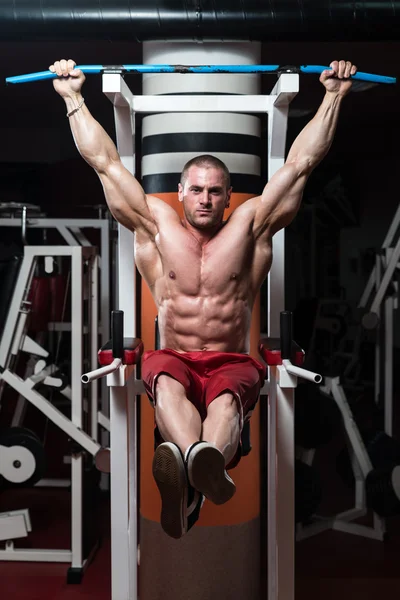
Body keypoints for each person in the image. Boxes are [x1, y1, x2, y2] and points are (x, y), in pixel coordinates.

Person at [50, 58, 357, 538]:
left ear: (230, 196)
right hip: (174, 355)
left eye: (216, 191)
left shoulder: (251, 226)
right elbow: (105, 163)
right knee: (168, 383)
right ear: (180, 190)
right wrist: (72, 97)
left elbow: (301, 164)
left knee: (228, 407)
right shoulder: (155, 225)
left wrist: (334, 95)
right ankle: (199, 467)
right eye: (196, 190)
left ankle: (192, 468)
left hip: (232, 359)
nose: (205, 199)